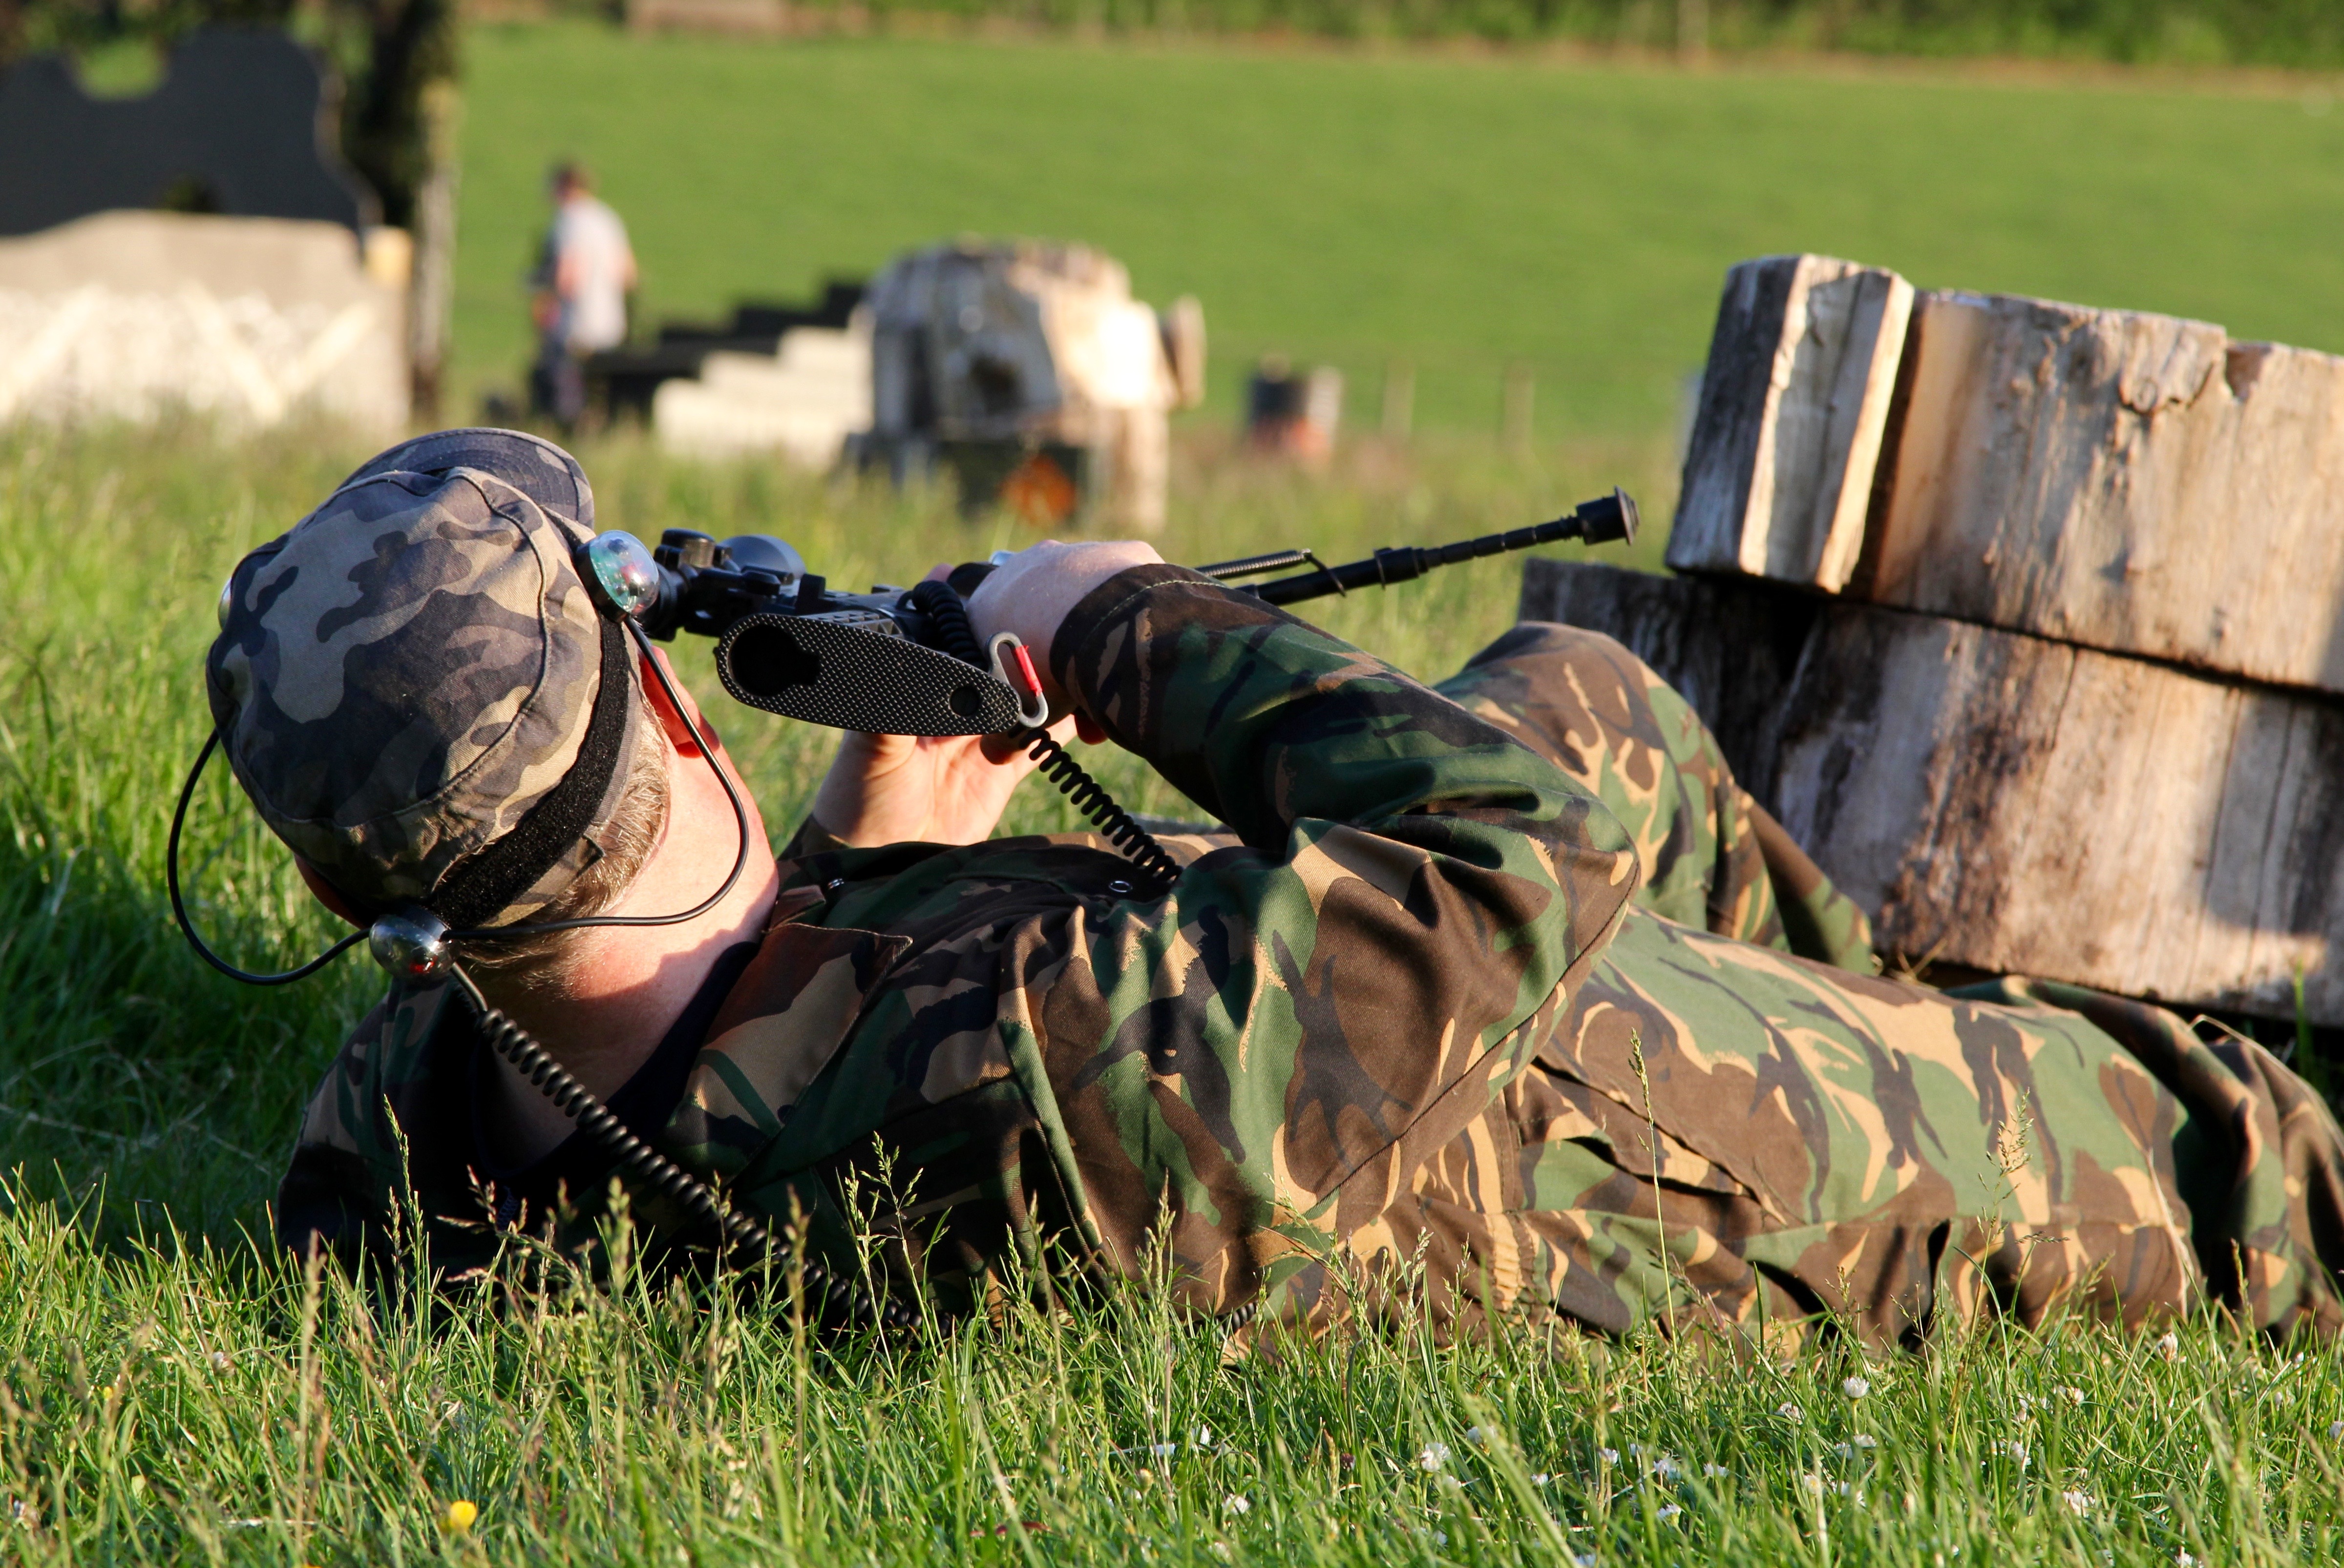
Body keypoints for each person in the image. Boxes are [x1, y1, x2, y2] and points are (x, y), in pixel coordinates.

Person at [209, 429, 2344, 1349]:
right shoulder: (1032, 1088)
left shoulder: (415, 1107)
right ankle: (1972, 1037)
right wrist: (1120, 619)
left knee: (1578, 685)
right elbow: (1513, 860)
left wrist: (863, 869)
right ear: (676, 723)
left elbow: (701, 1090)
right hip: (1625, 1137)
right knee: (2238, 1143)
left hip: (1329, 1040)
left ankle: (1899, 965)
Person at [528, 164, 636, 432]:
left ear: (563, 187)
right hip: (610, 324)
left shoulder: (569, 221)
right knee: (601, 388)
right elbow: (628, 275)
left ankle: (568, 430)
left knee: (562, 382)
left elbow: (568, 277)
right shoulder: (608, 219)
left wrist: (545, 298)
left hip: (574, 325)